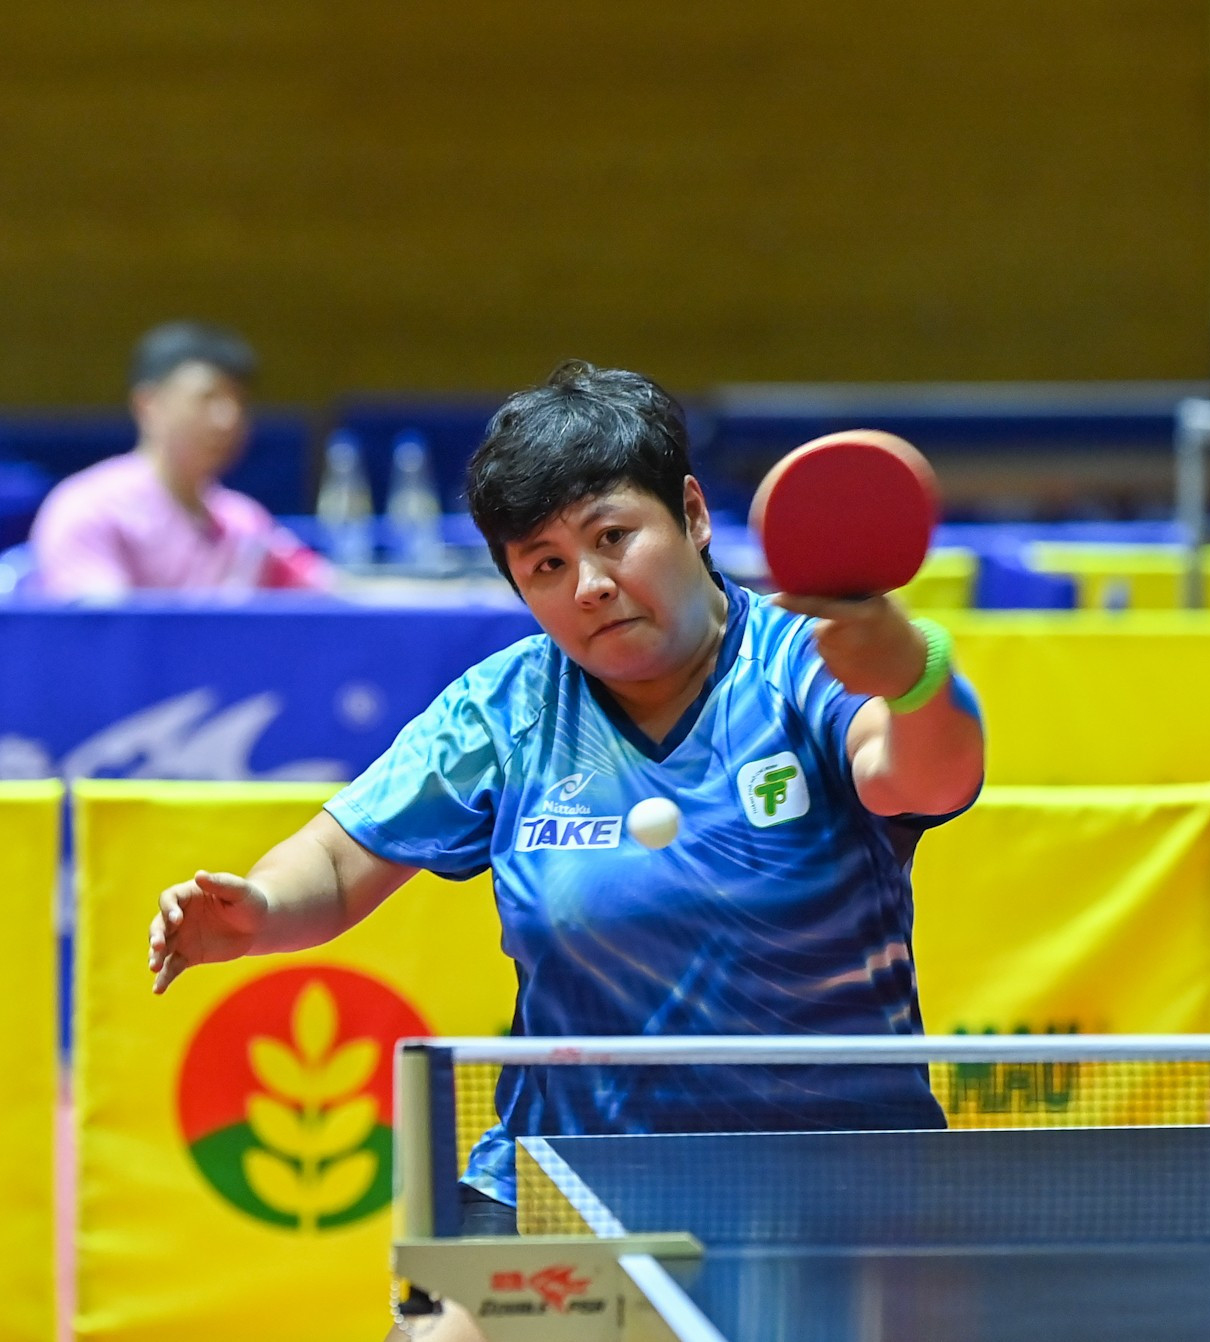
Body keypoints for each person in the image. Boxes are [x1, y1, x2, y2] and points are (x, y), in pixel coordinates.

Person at [146, 361, 984, 1329]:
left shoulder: (801, 663)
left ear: (693, 515)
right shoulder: (507, 708)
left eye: (612, 537)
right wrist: (259, 908)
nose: (590, 585)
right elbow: (337, 861)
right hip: (567, 1184)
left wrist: (914, 677)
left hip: (839, 1189)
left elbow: (924, 777)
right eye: (544, 565)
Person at [29, 321, 332, 600]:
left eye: (238, 401)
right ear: (148, 405)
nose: (228, 419)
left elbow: (334, 595)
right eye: (207, 398)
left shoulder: (242, 521)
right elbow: (105, 633)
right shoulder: (90, 509)